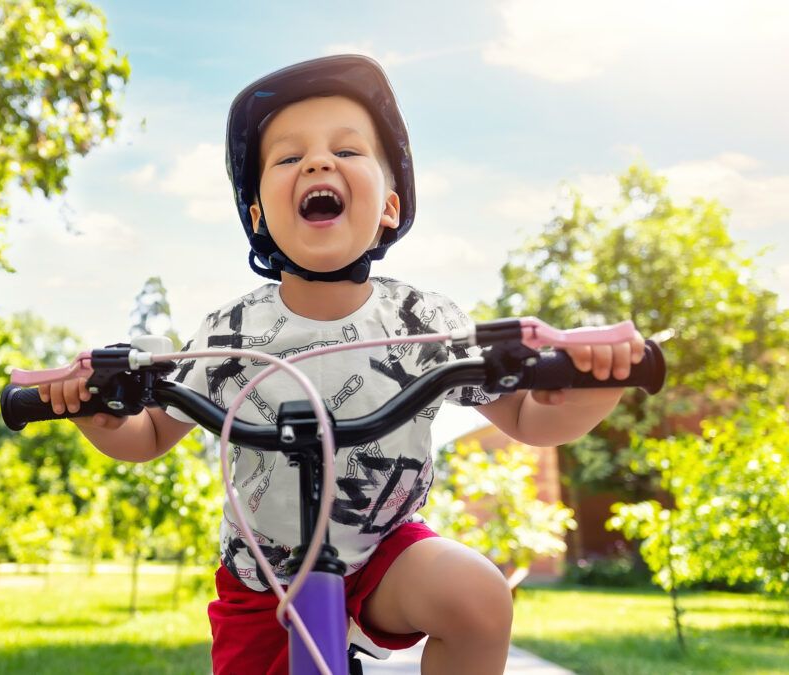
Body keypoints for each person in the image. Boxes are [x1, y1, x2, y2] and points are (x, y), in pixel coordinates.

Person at [39, 54, 645, 675]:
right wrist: (101, 415)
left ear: (389, 204)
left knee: (477, 597)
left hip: (387, 555)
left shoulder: (421, 320)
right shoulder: (231, 334)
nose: (318, 162)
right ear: (258, 217)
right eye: (287, 157)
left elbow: (528, 418)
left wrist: (597, 385)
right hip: (264, 579)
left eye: (348, 150)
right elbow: (152, 435)